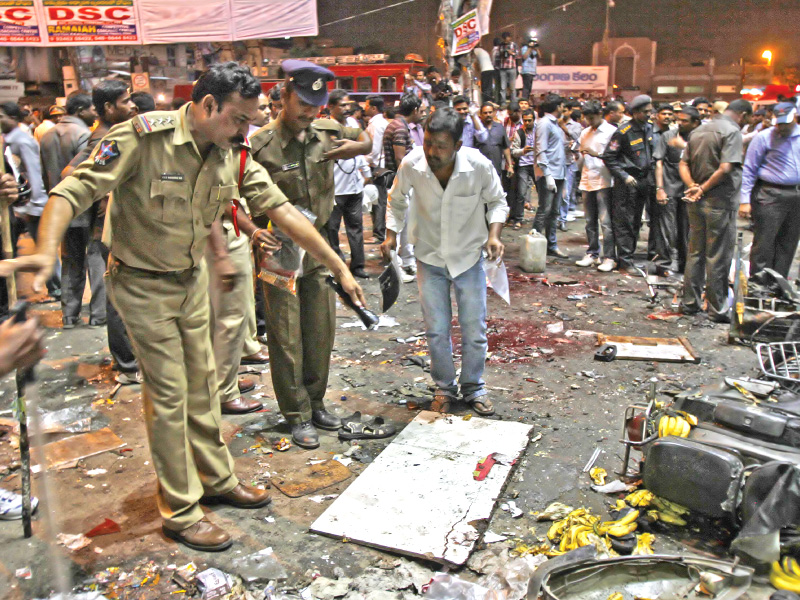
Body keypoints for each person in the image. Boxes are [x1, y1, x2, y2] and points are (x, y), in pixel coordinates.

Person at [0, 62, 366, 551]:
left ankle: (216, 478)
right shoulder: (142, 137)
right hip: (141, 284)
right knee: (170, 395)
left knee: (203, 385)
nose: (246, 131)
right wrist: (45, 249)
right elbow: (70, 193)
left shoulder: (229, 152)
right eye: (239, 119)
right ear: (208, 105)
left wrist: (337, 265)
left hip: (191, 281)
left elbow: (279, 209)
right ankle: (181, 510)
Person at [248, 60, 371, 450]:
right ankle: (297, 414)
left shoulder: (327, 130)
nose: (308, 111)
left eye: (315, 104)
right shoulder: (260, 145)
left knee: (320, 331)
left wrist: (359, 145)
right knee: (285, 335)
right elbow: (237, 199)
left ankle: (316, 403)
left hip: (318, 246)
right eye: (301, 102)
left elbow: (365, 137)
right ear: (284, 95)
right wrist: (252, 232)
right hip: (279, 249)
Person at [380, 107, 507, 417]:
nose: (433, 152)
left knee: (473, 328)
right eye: (428, 143)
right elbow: (396, 201)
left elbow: (497, 202)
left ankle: (474, 386)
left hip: (468, 257)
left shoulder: (478, 166)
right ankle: (444, 387)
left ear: (458, 146)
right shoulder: (412, 164)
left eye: (441, 146)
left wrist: (494, 235)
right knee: (436, 329)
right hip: (430, 256)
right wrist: (390, 235)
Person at [63, 80, 139, 380]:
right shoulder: (104, 140)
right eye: (125, 101)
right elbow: (70, 173)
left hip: (118, 226)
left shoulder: (116, 134)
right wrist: (105, 190)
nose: (131, 106)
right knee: (118, 299)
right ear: (108, 108)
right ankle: (128, 365)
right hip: (110, 228)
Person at [679, 99, 751, 322]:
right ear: (744, 115)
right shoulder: (732, 132)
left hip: (696, 200)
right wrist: (702, 188)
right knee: (717, 256)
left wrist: (692, 186)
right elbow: (726, 167)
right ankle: (717, 309)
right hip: (719, 201)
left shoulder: (700, 130)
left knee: (695, 252)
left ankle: (690, 303)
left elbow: (683, 163)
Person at [40, 93, 102, 328]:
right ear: (80, 110)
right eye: (91, 109)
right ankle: (97, 315)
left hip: (60, 208)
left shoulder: (46, 136)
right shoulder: (85, 136)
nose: (94, 114)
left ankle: (69, 315)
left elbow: (45, 173)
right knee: (96, 261)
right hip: (85, 208)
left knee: (70, 262)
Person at [0, 102, 60, 300]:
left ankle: (57, 287)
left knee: (44, 248)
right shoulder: (8, 140)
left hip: (33, 204)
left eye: (2, 116)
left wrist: (29, 204)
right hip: (23, 205)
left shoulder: (22, 140)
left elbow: (34, 173)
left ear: (13, 118)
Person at [740, 102, 800, 278]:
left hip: (796, 195)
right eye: (779, 123)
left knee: (788, 241)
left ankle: (779, 283)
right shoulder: (764, 137)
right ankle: (758, 283)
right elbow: (749, 169)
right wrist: (744, 201)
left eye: (785, 123)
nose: (781, 127)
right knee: (764, 242)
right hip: (770, 194)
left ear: (795, 117)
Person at [602, 95, 655, 275]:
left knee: (635, 222)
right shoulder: (623, 132)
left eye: (650, 111)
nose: (649, 114)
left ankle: (629, 258)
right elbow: (609, 157)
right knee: (623, 221)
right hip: (627, 182)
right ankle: (625, 261)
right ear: (636, 112)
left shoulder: (649, 129)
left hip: (643, 180)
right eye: (646, 112)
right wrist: (623, 175)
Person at [326, 89, 371, 279]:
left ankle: (358, 265)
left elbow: (360, 151)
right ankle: (338, 266)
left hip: (354, 186)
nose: (346, 108)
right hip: (335, 188)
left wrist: (366, 172)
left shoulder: (353, 124)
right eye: (342, 105)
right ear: (331, 107)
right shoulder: (326, 128)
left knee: (356, 228)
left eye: (347, 105)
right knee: (332, 230)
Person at [654, 105, 702, 274]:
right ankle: (664, 265)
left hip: (691, 190)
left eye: (684, 121)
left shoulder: (701, 138)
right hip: (670, 187)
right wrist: (660, 188)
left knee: (688, 230)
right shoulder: (668, 135)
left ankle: (685, 266)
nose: (679, 123)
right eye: (679, 120)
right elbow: (658, 162)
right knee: (666, 229)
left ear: (696, 123)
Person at [383, 93, 422, 283]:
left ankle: (406, 262)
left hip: (400, 181)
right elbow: (401, 159)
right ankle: (396, 266)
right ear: (414, 110)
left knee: (405, 224)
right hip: (400, 182)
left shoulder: (397, 125)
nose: (421, 115)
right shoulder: (400, 128)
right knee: (397, 226)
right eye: (420, 111)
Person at [575, 101, 616, 271]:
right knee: (589, 221)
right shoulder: (585, 132)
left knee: (605, 222)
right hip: (587, 179)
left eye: (592, 118)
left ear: (600, 113)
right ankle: (592, 253)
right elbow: (580, 154)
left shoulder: (611, 132)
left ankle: (609, 257)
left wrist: (597, 154)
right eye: (587, 119)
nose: (589, 122)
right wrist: (578, 156)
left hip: (604, 181)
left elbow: (615, 157)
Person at [533, 94, 568, 258]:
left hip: (559, 173)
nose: (564, 109)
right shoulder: (544, 124)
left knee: (554, 212)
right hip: (549, 174)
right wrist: (547, 175)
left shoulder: (556, 125)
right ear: (557, 107)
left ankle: (551, 245)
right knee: (544, 210)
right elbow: (541, 151)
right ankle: (533, 245)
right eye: (562, 106)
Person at [365, 94, 389, 244]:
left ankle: (379, 233)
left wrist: (364, 163)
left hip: (377, 167)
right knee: (379, 200)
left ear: (373, 108)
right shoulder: (382, 122)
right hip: (380, 166)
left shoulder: (376, 124)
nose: (365, 108)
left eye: (367, 105)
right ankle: (380, 231)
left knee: (378, 201)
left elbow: (374, 151)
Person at [557, 105, 583, 231]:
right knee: (554, 192)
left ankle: (562, 219)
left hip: (569, 162)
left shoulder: (576, 125)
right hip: (555, 162)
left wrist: (563, 127)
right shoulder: (553, 123)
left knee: (565, 193)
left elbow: (577, 139)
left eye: (566, 110)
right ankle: (555, 218)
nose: (563, 112)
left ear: (570, 111)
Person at [475, 103, 513, 181]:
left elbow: (505, 147)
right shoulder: (476, 129)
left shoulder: (500, 128)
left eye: (490, 112)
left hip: (496, 170)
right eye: (485, 113)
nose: (488, 115)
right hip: (479, 171)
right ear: (481, 114)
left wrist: (510, 165)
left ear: (494, 113)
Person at [511, 109, 536, 224]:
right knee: (521, 193)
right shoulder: (519, 133)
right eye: (525, 121)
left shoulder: (539, 131)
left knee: (542, 191)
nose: (527, 123)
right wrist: (523, 151)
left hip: (537, 164)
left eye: (529, 120)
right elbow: (513, 151)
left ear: (533, 120)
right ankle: (518, 219)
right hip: (523, 165)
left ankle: (542, 219)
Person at [503, 102, 524, 228]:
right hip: (507, 160)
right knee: (508, 190)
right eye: (509, 115)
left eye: (513, 114)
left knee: (519, 190)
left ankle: (517, 217)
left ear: (519, 112)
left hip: (521, 160)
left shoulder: (525, 123)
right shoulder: (505, 122)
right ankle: (511, 215)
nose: (510, 117)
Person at [493, 32, 518, 104]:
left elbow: (518, 55)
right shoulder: (501, 45)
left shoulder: (513, 44)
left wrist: (511, 53)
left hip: (512, 67)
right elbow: (497, 56)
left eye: (507, 38)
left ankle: (513, 102)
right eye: (504, 39)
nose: (506, 40)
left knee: (512, 87)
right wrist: (503, 53)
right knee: (502, 87)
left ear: (510, 37)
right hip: (502, 68)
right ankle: (503, 102)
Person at [520, 36, 541, 102]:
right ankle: (524, 100)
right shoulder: (524, 48)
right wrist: (529, 48)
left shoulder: (534, 50)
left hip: (532, 71)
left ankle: (526, 100)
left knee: (529, 88)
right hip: (526, 71)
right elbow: (524, 57)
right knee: (526, 87)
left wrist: (536, 48)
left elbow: (540, 56)